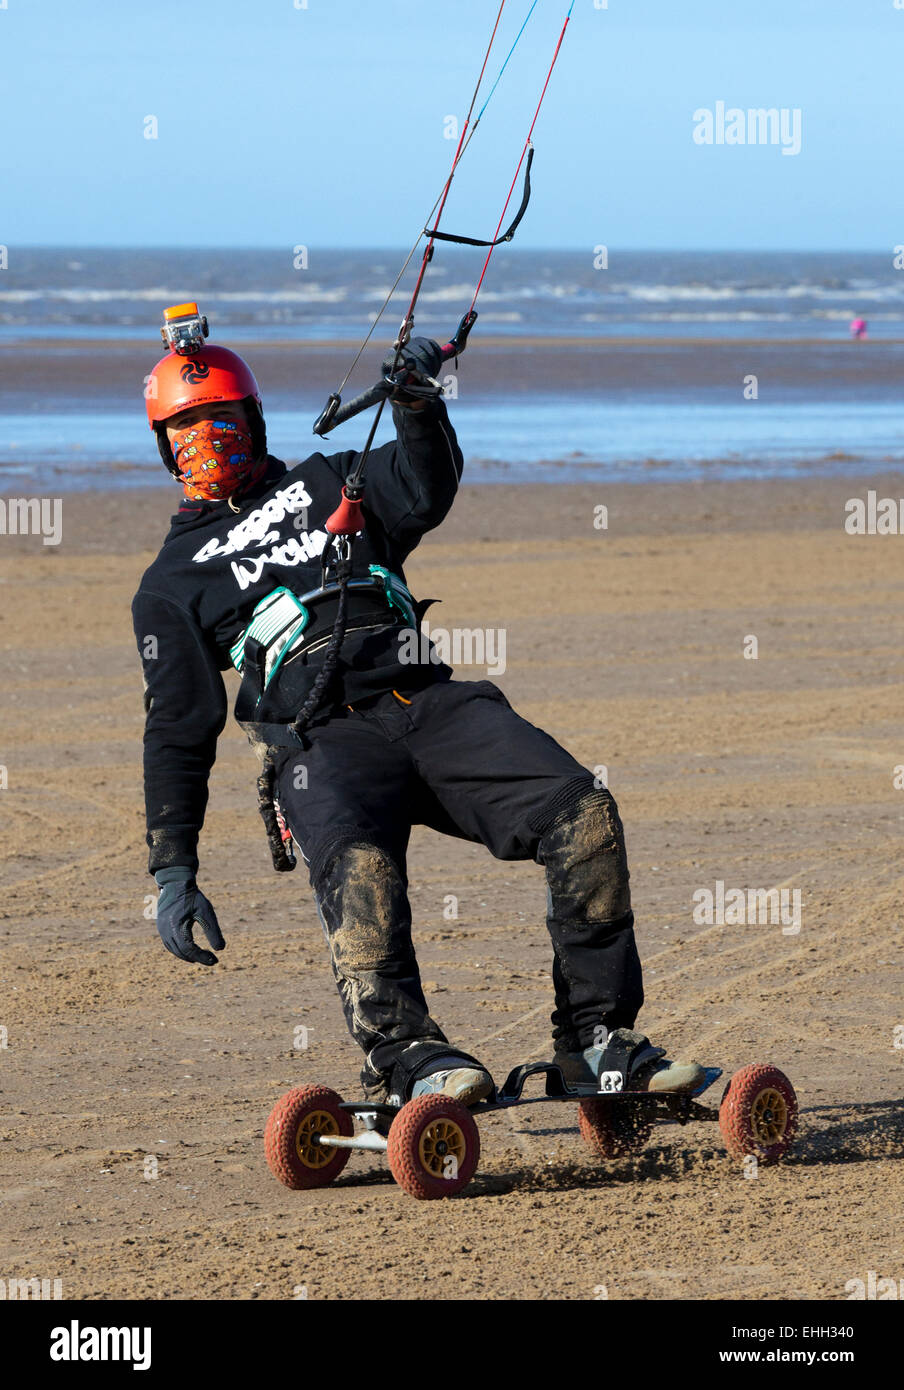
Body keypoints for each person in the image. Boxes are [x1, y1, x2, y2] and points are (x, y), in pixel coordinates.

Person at [132, 310, 704, 1112]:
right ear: (164, 447)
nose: (208, 438)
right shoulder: (172, 581)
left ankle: (595, 1040)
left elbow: (428, 484)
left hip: (427, 704)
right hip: (320, 739)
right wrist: (173, 867)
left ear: (254, 420)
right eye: (187, 427)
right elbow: (177, 730)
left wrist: (415, 400)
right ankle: (408, 1056)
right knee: (359, 870)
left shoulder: (332, 477)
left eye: (221, 418)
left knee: (584, 816)